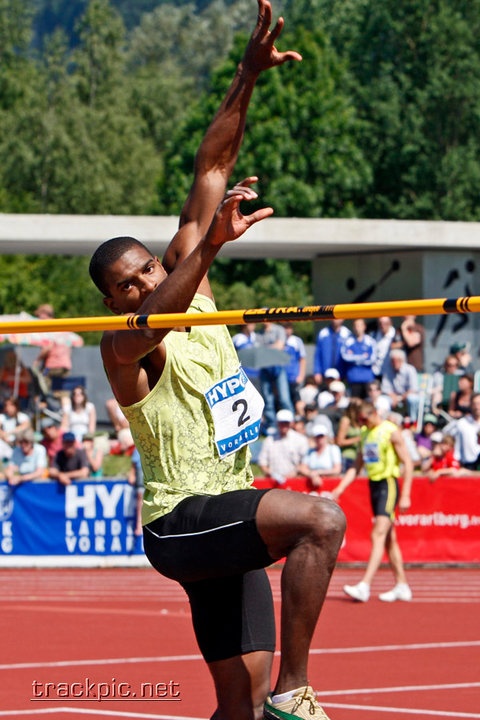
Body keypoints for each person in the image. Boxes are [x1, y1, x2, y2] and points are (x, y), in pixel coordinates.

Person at [88, 6, 345, 720]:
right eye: (127, 287)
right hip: (180, 523)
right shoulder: (123, 347)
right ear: (113, 305)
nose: (142, 285)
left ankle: (276, 698)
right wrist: (208, 250)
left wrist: (247, 75)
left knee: (241, 707)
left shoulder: (195, 285)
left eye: (146, 271)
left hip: (226, 513)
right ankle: (300, 689)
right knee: (321, 521)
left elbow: (214, 165)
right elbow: (159, 313)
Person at [331, 400, 413, 603]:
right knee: (388, 538)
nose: (362, 423)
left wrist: (406, 495)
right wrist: (340, 488)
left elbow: (409, 464)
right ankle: (402, 585)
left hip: (388, 484)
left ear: (374, 413)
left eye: (364, 419)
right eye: (359, 421)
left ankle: (365, 585)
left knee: (377, 533)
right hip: (374, 486)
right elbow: (356, 467)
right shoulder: (366, 434)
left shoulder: (390, 431)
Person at [258, 321, 294, 434]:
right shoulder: (259, 333)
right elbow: (258, 351)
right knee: (267, 399)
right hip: (265, 368)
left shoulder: (279, 329)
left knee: (284, 398)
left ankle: (291, 423)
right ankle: (272, 424)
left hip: (278, 367)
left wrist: (265, 349)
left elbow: (280, 346)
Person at [258, 409, 309, 484]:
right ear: (277, 423)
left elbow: (305, 462)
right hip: (274, 482)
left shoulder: (300, 440)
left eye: (286, 423)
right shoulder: (269, 440)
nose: (284, 426)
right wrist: (272, 474)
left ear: (291, 423)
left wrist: (295, 473)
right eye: (281, 423)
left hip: (295, 480)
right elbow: (262, 462)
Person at [32, 304, 72, 388]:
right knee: (62, 392)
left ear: (44, 314)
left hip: (52, 366)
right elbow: (70, 346)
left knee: (42, 386)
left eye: (39, 315)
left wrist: (37, 360)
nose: (38, 318)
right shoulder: (60, 326)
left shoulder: (48, 327)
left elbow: (47, 347)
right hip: (65, 365)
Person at [340, 318, 376, 398]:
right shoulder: (348, 341)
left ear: (364, 327)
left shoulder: (370, 341)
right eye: (356, 326)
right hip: (353, 378)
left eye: (359, 325)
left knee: (367, 404)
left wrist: (354, 358)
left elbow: (372, 359)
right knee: (355, 404)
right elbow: (345, 357)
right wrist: (363, 357)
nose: (357, 328)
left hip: (367, 379)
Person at [297, 424, 342, 489]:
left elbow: (337, 469)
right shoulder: (310, 451)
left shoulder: (333, 449)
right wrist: (312, 475)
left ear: (326, 436)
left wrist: (317, 473)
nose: (319, 439)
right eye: (317, 436)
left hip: (331, 485)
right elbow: (302, 468)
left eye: (321, 436)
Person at [381, 348, 420, 421]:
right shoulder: (388, 370)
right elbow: (386, 388)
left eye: (397, 360)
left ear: (402, 360)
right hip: (393, 397)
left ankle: (413, 421)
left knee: (412, 399)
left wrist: (401, 398)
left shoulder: (410, 369)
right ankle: (386, 421)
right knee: (382, 400)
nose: (395, 363)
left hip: (406, 396)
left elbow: (413, 389)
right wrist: (394, 397)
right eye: (393, 361)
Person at [313, 319, 351, 385]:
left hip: (342, 373)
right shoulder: (323, 333)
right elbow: (317, 355)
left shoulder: (347, 334)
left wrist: (348, 373)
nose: (335, 319)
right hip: (325, 373)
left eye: (338, 317)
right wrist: (317, 371)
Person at [0, 396, 32, 462]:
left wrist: (10, 432)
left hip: (19, 444)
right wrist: (3, 435)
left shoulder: (22, 416)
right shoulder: (2, 417)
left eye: (11, 405)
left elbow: (26, 426)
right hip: (6, 443)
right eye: (7, 405)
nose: (8, 408)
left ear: (16, 406)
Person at [335, 397, 363, 472]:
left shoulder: (359, 421)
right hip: (347, 458)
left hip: (359, 457)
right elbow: (340, 441)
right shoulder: (346, 420)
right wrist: (357, 439)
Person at [453, 393, 480, 471]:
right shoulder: (462, 423)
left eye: (479, 403)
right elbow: (457, 445)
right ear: (471, 405)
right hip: (467, 465)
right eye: (474, 404)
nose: (477, 407)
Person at [284, 323, 307, 413]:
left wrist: (301, 375)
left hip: (294, 377)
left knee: (297, 401)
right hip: (283, 377)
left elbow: (302, 359)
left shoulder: (296, 341)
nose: (287, 330)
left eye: (289, 327)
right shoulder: (279, 341)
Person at [371, 316, 397, 380]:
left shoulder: (397, 335)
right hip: (376, 371)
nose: (383, 326)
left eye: (385, 323)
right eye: (380, 323)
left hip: (392, 373)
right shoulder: (373, 335)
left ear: (390, 323)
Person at [128, 446, 144, 536]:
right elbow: (134, 464)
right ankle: (139, 525)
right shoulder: (138, 447)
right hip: (141, 473)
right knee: (140, 498)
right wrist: (132, 474)